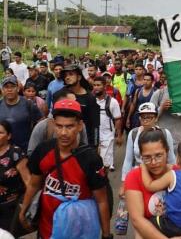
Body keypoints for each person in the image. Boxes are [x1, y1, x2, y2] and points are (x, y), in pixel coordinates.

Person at [19, 99, 113, 239]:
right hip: (47, 230)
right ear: (53, 125)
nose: (63, 132)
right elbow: (34, 184)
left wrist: (106, 234)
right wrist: (24, 210)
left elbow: (102, 200)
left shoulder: (90, 159)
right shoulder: (43, 150)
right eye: (59, 126)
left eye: (69, 127)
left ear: (80, 126)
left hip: (80, 230)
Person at [124, 129, 181, 239]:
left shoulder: (180, 172)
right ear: (141, 157)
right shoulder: (134, 177)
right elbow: (137, 221)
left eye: (159, 155)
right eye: (147, 157)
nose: (154, 162)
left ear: (167, 151)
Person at [119, 102, 176, 196]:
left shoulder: (165, 134)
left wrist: (175, 177)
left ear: (156, 118)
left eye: (149, 117)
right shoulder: (133, 134)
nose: (145, 120)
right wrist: (124, 183)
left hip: (160, 176)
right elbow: (128, 160)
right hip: (138, 175)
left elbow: (171, 159)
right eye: (143, 117)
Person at [27, 88, 88, 156]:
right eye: (59, 126)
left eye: (70, 126)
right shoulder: (42, 126)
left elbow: (84, 149)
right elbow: (31, 153)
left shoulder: (80, 125)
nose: (63, 132)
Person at [56, 64, 100, 147]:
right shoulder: (60, 95)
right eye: (65, 75)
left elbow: (95, 124)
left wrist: (95, 145)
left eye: (71, 74)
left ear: (79, 77)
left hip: (84, 143)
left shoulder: (90, 98)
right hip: (63, 140)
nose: (67, 77)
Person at [0, 120, 29, 234]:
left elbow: (28, 181)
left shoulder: (16, 153)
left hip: (10, 209)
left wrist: (24, 208)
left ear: (9, 136)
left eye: (1, 133)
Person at [0, 76, 42, 151]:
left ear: (18, 89)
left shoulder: (28, 104)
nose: (9, 90)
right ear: (2, 90)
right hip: (3, 151)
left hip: (24, 149)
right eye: (6, 87)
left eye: (12, 86)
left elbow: (41, 124)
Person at [93, 76, 123, 171]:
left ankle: (104, 181)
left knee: (105, 164)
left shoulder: (113, 102)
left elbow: (118, 119)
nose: (96, 87)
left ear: (105, 86)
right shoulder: (92, 100)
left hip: (107, 136)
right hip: (94, 136)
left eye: (98, 85)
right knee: (95, 163)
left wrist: (119, 136)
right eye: (94, 85)